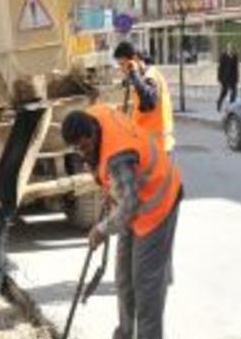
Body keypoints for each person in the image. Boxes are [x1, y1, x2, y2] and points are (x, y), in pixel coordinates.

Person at [62, 105, 183, 339]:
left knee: (146, 288)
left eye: (85, 147)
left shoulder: (118, 158)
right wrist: (111, 190)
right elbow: (123, 195)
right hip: (132, 200)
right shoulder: (93, 116)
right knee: (124, 280)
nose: (83, 154)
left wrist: (102, 229)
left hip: (158, 204)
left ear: (92, 134)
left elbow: (131, 205)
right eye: (77, 150)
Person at [113, 41, 175, 153]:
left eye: (123, 64)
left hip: (155, 146)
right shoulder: (147, 76)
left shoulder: (150, 77)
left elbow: (149, 101)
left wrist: (133, 73)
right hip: (152, 144)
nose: (122, 69)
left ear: (134, 60)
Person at [217, 42, 240, 112]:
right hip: (225, 78)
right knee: (224, 92)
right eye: (229, 48)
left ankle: (231, 106)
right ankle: (219, 103)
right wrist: (219, 78)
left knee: (234, 93)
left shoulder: (235, 57)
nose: (231, 50)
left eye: (232, 48)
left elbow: (236, 68)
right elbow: (220, 68)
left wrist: (237, 77)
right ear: (227, 49)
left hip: (233, 78)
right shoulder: (223, 56)